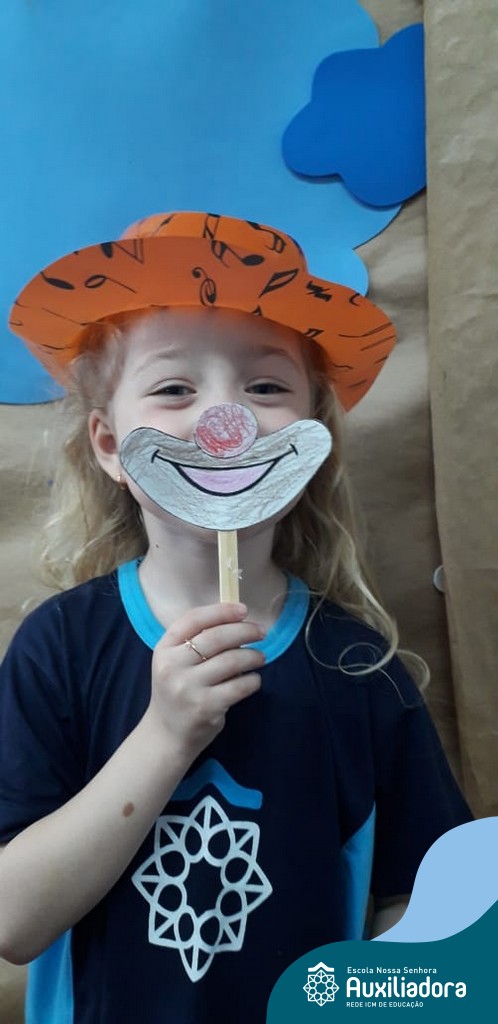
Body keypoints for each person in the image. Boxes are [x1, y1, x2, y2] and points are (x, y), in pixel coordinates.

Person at [0, 212, 472, 1023]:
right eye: (174, 388)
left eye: (265, 387)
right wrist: (166, 735)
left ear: (314, 437)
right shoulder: (60, 648)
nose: (229, 422)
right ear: (110, 446)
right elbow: (14, 921)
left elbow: (423, 907)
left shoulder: (358, 668)